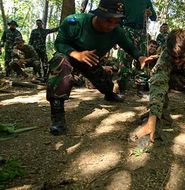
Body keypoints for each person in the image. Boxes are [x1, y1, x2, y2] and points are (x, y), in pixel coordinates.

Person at [46, 0, 154, 135]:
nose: (112, 26)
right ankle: (57, 116)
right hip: (70, 56)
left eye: (117, 21)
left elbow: (129, 46)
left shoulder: (117, 31)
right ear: (99, 15)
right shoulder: (75, 22)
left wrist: (140, 57)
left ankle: (109, 94)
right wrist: (76, 54)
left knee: (103, 81)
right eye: (109, 21)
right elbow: (59, 43)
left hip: (91, 60)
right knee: (59, 61)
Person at [118, 0, 157, 93]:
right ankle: (122, 88)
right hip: (127, 29)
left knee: (142, 59)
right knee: (124, 58)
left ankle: (141, 88)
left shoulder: (146, 1)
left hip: (141, 31)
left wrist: (150, 13)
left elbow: (154, 17)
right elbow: (117, 16)